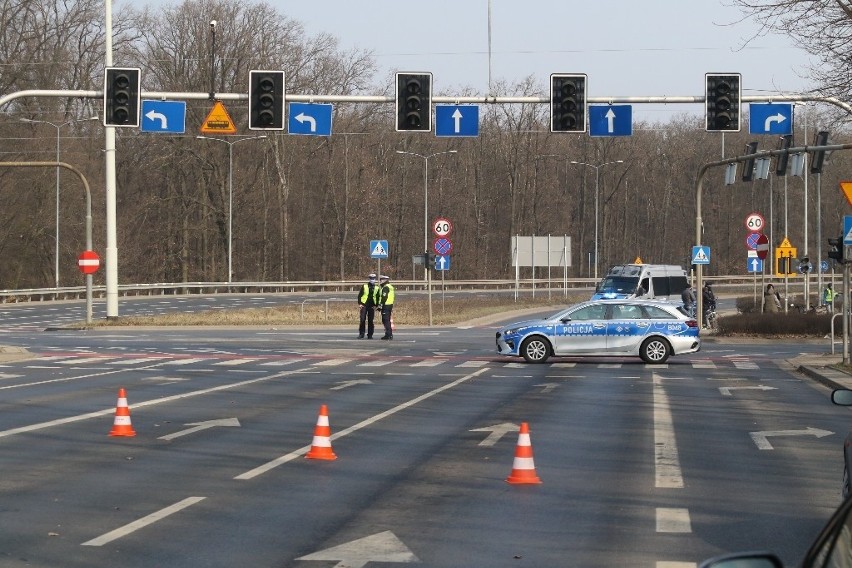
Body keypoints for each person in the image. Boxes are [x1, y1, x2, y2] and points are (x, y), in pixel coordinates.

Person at [356, 273, 380, 339]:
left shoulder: (377, 288)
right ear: (369, 279)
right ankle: (361, 334)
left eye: (373, 279)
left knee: (370, 321)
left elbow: (378, 297)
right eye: (371, 279)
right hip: (364, 305)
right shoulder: (364, 286)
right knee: (362, 319)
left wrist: (376, 305)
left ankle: (370, 334)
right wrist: (360, 303)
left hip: (372, 306)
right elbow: (360, 295)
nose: (372, 280)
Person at [377, 274, 395, 340]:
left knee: (385, 320)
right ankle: (389, 334)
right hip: (390, 305)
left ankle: (388, 334)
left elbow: (384, 297)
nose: (380, 281)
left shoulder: (385, 288)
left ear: (384, 280)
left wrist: (380, 305)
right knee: (387, 320)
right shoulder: (390, 287)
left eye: (381, 280)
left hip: (386, 305)